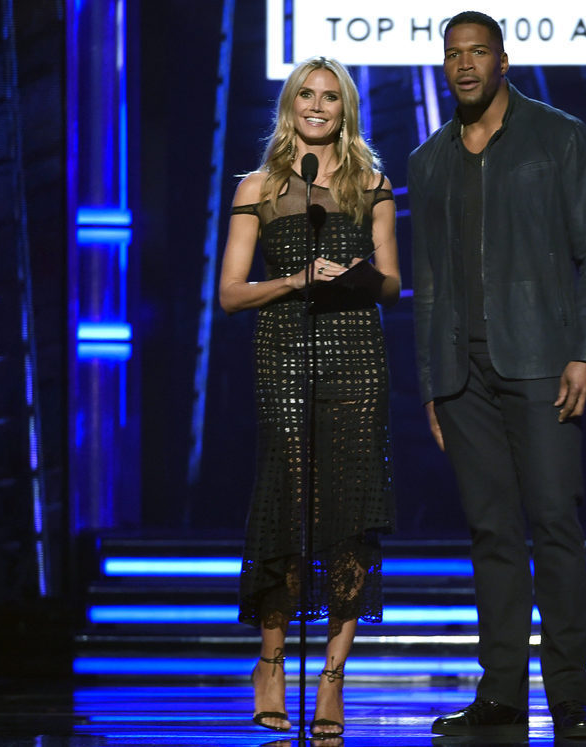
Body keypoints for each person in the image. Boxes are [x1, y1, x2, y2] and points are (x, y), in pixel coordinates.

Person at [408, 10, 586, 741]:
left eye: (478, 52)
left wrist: (585, 351)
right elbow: (427, 283)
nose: (464, 65)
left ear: (503, 60)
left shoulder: (559, 137)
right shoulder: (428, 159)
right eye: (453, 54)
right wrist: (434, 380)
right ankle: (500, 695)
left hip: (542, 366)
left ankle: (569, 698)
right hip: (463, 378)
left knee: (556, 527)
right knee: (490, 532)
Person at [219, 56, 399, 737]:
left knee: (351, 511)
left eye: (331, 97)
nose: (318, 106)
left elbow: (392, 284)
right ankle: (271, 660)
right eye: (307, 95)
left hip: (357, 354)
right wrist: (295, 280)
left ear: (346, 109)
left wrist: (355, 275)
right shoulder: (257, 186)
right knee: (288, 502)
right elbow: (232, 293)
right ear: (290, 104)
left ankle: (332, 676)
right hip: (285, 351)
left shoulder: (371, 183)